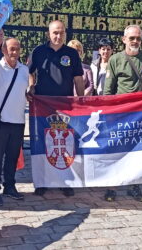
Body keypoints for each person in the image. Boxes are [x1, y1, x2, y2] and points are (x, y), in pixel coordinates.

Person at [27, 20, 84, 197]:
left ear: (65, 33)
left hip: (65, 106)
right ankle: (42, 182)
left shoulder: (72, 53)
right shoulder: (38, 51)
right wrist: (31, 86)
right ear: (48, 34)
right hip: (42, 106)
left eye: (61, 33)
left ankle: (64, 182)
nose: (58, 36)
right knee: (44, 143)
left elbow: (78, 78)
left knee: (65, 144)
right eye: (55, 33)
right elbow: (29, 71)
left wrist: (81, 100)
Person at [103, 25, 142, 202]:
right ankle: (111, 186)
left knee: (137, 152)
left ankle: (135, 186)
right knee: (116, 150)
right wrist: (108, 113)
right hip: (119, 113)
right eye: (132, 38)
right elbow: (108, 90)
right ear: (124, 39)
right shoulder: (115, 60)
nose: (135, 41)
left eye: (138, 38)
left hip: (140, 114)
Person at [0, 31, 29, 206]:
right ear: (4, 50)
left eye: (17, 49)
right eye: (11, 49)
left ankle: (10, 185)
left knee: (12, 156)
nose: (14, 52)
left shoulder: (23, 69)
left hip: (18, 121)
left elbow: (28, 84)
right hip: (0, 121)